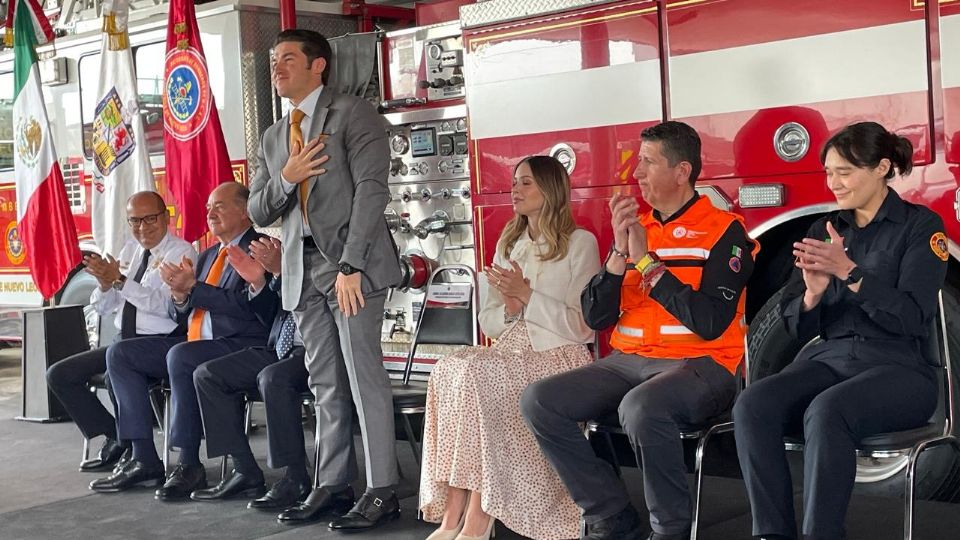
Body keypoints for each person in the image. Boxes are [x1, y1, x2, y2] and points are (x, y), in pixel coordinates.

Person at [522, 121, 758, 540]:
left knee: (642, 407)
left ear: (681, 172)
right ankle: (610, 514)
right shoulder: (636, 229)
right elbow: (595, 318)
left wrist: (648, 265)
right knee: (541, 400)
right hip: (627, 362)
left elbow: (709, 322)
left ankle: (669, 529)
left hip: (703, 366)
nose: (637, 173)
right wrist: (618, 253)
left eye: (648, 162)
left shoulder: (725, 232)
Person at [733, 122, 947, 540]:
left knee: (827, 410)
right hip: (829, 358)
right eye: (828, 172)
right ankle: (771, 534)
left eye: (844, 172)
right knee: (752, 404)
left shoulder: (921, 228)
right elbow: (795, 324)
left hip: (900, 367)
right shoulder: (824, 231)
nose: (834, 183)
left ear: (882, 167)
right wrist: (811, 296)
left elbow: (912, 317)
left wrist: (851, 274)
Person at [247, 29, 401, 532]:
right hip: (300, 267)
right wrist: (287, 175)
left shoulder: (354, 114)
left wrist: (352, 266)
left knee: (363, 378)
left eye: (288, 58)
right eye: (273, 60)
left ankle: (382, 490)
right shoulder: (275, 137)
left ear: (319, 66)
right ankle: (333, 484)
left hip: (348, 267)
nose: (277, 68)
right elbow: (257, 208)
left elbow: (372, 192)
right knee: (325, 384)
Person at [419, 156, 600, 540]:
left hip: (558, 355)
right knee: (449, 368)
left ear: (550, 190)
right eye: (515, 182)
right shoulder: (510, 243)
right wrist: (514, 309)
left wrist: (527, 296)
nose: (514, 190)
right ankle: (453, 512)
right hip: (512, 349)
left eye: (526, 183)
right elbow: (489, 319)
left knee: (476, 374)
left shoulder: (581, 244)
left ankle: (478, 518)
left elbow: (582, 327)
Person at [91, 182, 278, 499]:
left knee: (181, 357)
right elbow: (183, 314)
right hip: (198, 342)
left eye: (219, 206)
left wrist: (193, 288)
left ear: (245, 211)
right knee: (122, 355)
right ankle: (144, 457)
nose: (210, 213)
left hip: (242, 343)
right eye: (208, 207)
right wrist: (180, 295)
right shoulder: (207, 255)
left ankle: (189, 463)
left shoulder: (260, 247)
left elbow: (253, 308)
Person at [46, 191, 196, 473]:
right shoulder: (131, 251)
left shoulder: (181, 252)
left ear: (166, 217)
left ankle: (143, 458)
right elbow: (105, 308)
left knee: (120, 356)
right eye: (134, 221)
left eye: (150, 219)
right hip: (124, 342)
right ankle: (117, 436)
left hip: (164, 343)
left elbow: (165, 306)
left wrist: (120, 280)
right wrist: (105, 284)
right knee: (59, 374)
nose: (143, 228)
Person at [191, 237, 312, 509]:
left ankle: (296, 477)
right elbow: (271, 314)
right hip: (279, 346)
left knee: (273, 378)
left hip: (316, 349)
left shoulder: (320, 252)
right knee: (208, 375)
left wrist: (280, 272)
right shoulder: (282, 249)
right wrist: (259, 282)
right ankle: (245, 470)